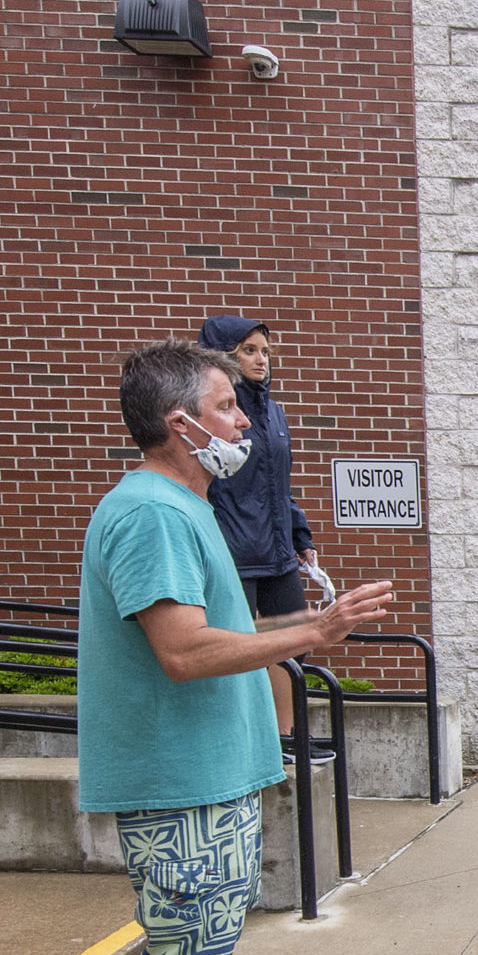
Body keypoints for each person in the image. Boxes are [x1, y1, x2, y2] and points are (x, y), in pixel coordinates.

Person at [81, 341, 392, 955]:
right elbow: (180, 651)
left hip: (208, 770)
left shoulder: (182, 506)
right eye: (225, 406)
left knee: (205, 938)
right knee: (179, 949)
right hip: (177, 775)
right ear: (180, 423)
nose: (243, 419)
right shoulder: (151, 512)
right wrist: (314, 634)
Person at [196, 316, 321, 756]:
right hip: (235, 550)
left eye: (265, 351)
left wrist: (299, 536)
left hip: (277, 550)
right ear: (223, 355)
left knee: (294, 640)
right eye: (249, 350)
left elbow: (278, 484)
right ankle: (250, 740)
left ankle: (285, 738)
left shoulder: (273, 412)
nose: (260, 359)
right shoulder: (213, 416)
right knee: (242, 651)